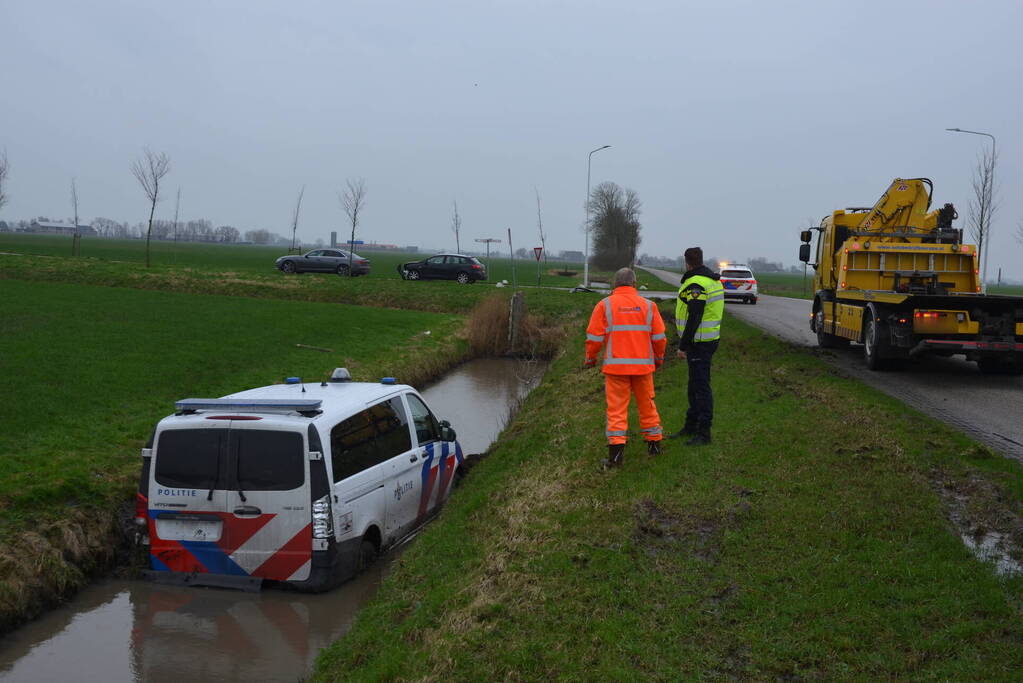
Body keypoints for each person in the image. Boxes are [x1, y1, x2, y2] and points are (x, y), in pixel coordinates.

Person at [584, 267, 667, 468]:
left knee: (616, 411)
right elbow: (659, 338)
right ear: (634, 284)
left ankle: (615, 458)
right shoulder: (649, 306)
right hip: (643, 368)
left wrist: (590, 358)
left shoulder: (604, 305)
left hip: (616, 369)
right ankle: (654, 447)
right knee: (647, 406)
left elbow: (594, 337)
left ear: (615, 284)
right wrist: (658, 358)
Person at [670, 247, 724, 446]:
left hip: (699, 343)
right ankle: (690, 425)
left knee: (700, 388)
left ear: (687, 263)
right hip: (707, 341)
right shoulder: (710, 280)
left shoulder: (696, 284)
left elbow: (695, 316)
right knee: (694, 386)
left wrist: (682, 346)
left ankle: (704, 433)